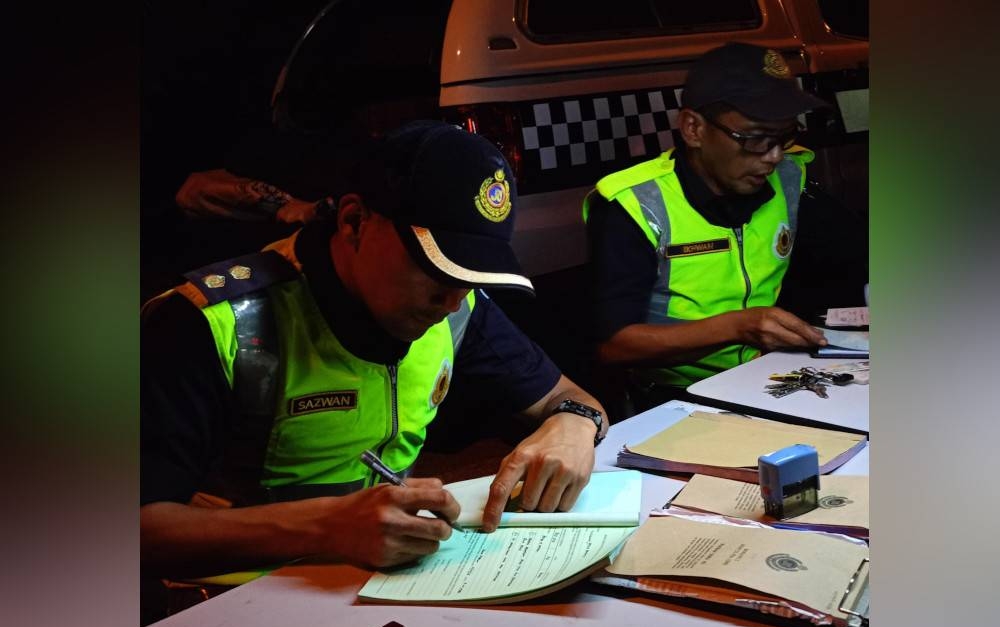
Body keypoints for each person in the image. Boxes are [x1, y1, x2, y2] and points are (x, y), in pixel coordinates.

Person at [141, 121, 609, 582]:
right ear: (354, 222)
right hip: (228, 611)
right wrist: (327, 527)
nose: (451, 300)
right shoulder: (213, 323)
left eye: (470, 275)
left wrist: (572, 424)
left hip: (381, 584)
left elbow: (571, 398)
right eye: (435, 267)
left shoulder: (458, 307)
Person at [584, 42, 841, 413]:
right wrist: (740, 327)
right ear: (693, 129)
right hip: (673, 399)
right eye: (755, 139)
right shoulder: (633, 205)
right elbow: (613, 345)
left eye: (784, 136)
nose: (774, 156)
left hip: (770, 379)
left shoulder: (788, 176)